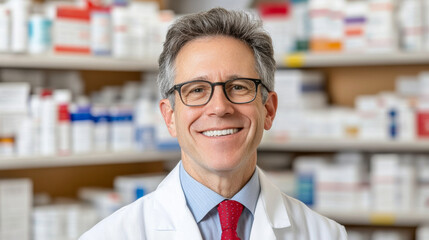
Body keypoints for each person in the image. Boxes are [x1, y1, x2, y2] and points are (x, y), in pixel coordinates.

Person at [80, 8, 347, 240]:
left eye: (239, 87)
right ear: (170, 117)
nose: (219, 107)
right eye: (196, 90)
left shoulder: (325, 234)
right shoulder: (111, 236)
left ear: (268, 109)